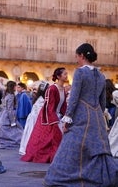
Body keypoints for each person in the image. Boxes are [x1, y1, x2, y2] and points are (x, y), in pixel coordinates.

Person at [44, 43, 118, 186]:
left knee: (72, 146)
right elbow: (102, 102)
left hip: (81, 115)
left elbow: (74, 98)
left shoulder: (80, 72)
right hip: (97, 117)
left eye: (77, 56)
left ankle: (73, 177)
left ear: (82, 56)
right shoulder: (101, 76)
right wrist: (98, 115)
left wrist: (67, 118)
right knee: (96, 147)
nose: (76, 59)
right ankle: (97, 176)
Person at [21, 67, 68, 163]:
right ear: (58, 76)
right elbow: (49, 106)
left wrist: (66, 116)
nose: (67, 76)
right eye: (65, 74)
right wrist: (54, 120)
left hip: (58, 116)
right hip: (49, 117)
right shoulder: (52, 89)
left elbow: (63, 106)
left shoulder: (62, 89)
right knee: (49, 139)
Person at [19, 81, 49, 155]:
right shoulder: (42, 100)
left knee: (29, 132)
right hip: (36, 119)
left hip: (33, 118)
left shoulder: (39, 99)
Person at [0, 80, 23, 149]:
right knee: (15, 131)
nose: (16, 87)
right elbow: (9, 109)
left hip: (3, 113)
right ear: (13, 87)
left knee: (4, 130)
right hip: (7, 115)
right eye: (15, 86)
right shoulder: (11, 95)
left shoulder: (6, 94)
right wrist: (12, 121)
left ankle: (2, 142)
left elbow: (3, 105)